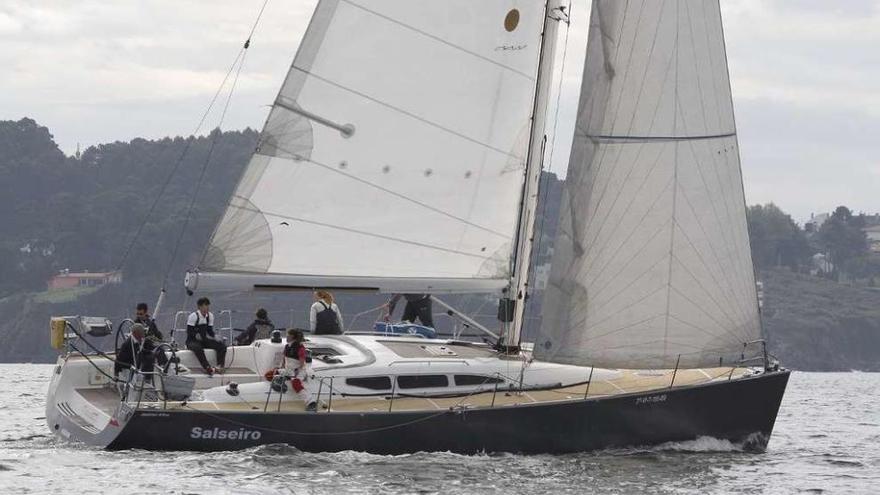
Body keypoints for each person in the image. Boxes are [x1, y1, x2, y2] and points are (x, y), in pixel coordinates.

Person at [185, 297, 227, 375]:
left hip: (204, 340)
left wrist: (216, 336)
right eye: (205, 305)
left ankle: (220, 366)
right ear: (200, 307)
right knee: (198, 349)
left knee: (222, 346)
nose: (207, 308)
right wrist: (196, 335)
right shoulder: (193, 316)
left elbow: (210, 331)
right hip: (192, 341)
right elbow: (189, 331)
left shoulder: (210, 316)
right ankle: (207, 367)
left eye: (208, 305)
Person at [283, 328, 316, 411]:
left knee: (296, 383)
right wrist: (280, 368)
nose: (286, 337)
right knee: (271, 373)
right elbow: (284, 360)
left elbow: (302, 363)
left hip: (298, 370)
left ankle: (311, 402)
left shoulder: (300, 348)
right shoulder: (287, 346)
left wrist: (297, 371)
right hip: (288, 370)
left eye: (288, 335)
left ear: (292, 336)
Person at [134, 302, 168, 368]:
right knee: (157, 351)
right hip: (141, 348)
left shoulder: (150, 323)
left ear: (146, 313)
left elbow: (157, 333)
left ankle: (165, 366)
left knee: (160, 348)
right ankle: (162, 366)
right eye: (137, 314)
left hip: (150, 345)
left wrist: (160, 338)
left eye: (141, 314)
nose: (139, 316)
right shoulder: (135, 323)